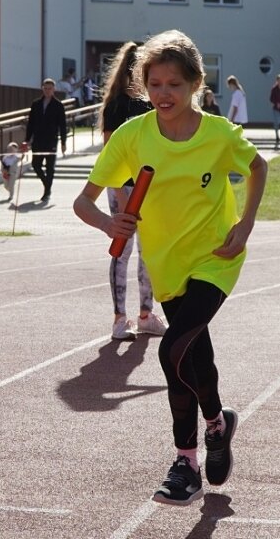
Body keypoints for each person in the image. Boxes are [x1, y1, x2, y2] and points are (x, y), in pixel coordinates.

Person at [74, 30, 268, 507]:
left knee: (173, 350)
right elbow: (83, 201)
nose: (165, 93)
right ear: (143, 87)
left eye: (175, 84)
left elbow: (259, 166)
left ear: (197, 84)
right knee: (195, 355)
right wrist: (108, 222)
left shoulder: (218, 134)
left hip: (216, 259)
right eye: (155, 84)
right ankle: (218, 426)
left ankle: (186, 461)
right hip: (166, 265)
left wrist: (244, 225)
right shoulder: (132, 136)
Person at [99, 41, 167, 341]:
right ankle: (119, 318)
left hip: (151, 190)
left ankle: (146, 314)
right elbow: (109, 155)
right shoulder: (117, 105)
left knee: (149, 251)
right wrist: (122, 192)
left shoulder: (152, 104)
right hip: (124, 191)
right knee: (122, 251)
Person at [23, 78, 67, 202]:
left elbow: (62, 125)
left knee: (50, 168)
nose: (47, 91)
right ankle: (46, 185)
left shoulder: (58, 105)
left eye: (50, 89)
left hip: (51, 141)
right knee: (35, 165)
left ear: (54, 89)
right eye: (45, 88)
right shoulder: (36, 104)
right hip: (38, 140)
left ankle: (47, 192)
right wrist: (27, 140)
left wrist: (63, 142)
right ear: (42, 88)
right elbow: (30, 124)